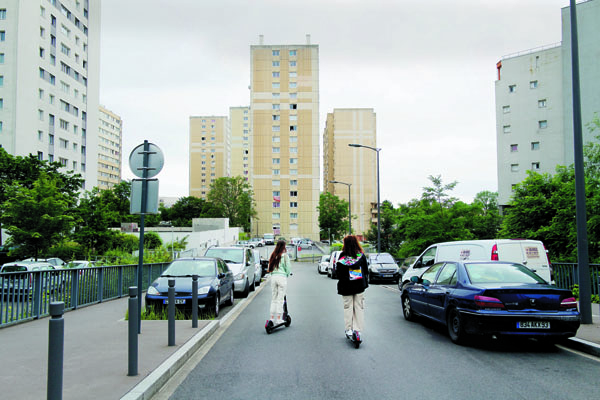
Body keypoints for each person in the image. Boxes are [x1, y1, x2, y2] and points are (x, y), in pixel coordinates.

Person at [336, 235, 369, 339]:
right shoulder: (361, 255)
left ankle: (349, 329)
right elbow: (366, 270)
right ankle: (358, 329)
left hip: (346, 287)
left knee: (348, 307)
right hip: (359, 285)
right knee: (359, 307)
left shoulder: (342, 256)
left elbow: (338, 273)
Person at [268, 240, 291, 324]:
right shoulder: (285, 256)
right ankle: (278, 318)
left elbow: (270, 267)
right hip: (281, 277)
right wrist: (287, 274)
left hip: (273, 277)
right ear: (283, 247)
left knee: (274, 298)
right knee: (280, 299)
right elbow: (288, 268)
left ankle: (271, 318)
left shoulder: (273, 255)